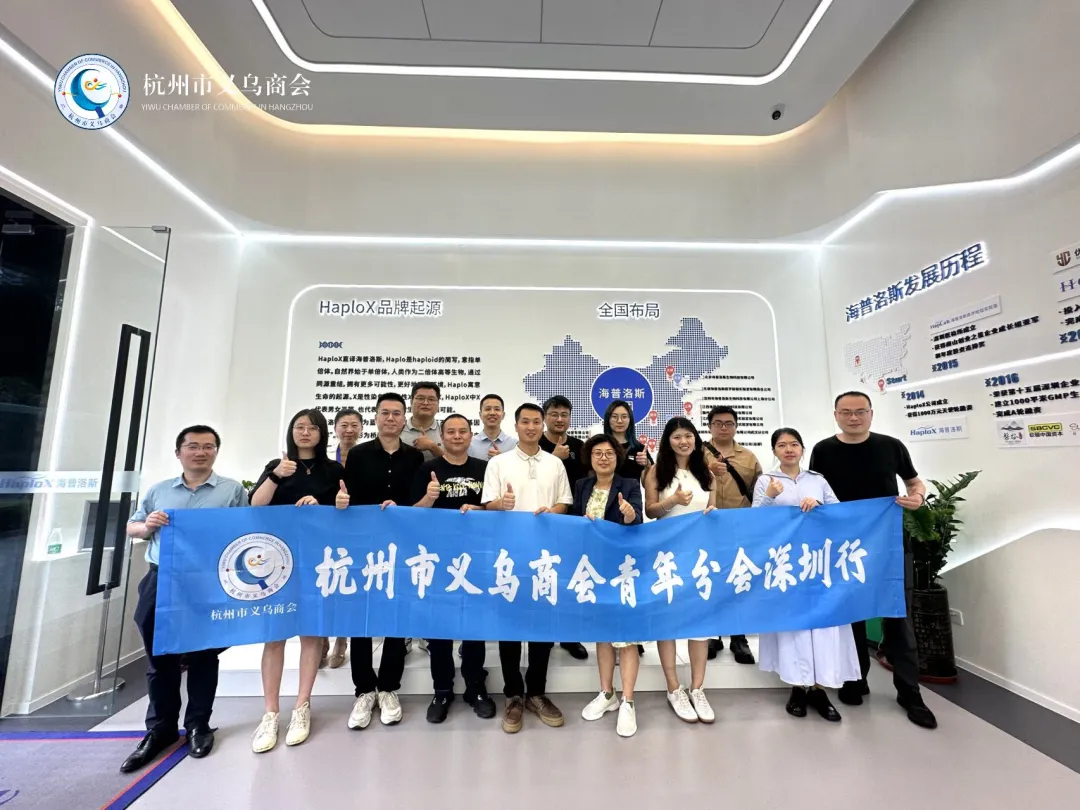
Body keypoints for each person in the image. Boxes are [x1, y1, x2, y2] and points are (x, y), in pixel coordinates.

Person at [120, 425, 247, 773]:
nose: (201, 452)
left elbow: (245, 530)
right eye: (193, 446)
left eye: (208, 446)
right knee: (159, 656)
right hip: (162, 578)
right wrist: (148, 525)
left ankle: (198, 725)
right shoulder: (159, 491)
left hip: (207, 581)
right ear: (179, 452)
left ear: (216, 452)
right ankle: (160, 729)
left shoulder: (231, 490)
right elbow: (132, 527)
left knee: (205, 655)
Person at [809, 391, 937, 730]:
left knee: (897, 615)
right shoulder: (823, 450)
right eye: (846, 412)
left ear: (871, 413)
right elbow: (816, 491)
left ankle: (910, 693)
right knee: (851, 613)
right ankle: (856, 679)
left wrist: (918, 496)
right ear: (835, 414)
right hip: (843, 545)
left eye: (860, 411)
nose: (853, 417)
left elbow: (914, 482)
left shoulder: (891, 446)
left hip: (888, 542)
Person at [249, 409, 345, 752]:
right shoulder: (277, 465)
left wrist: (326, 503)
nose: (305, 433)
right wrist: (276, 476)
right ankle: (270, 712)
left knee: (311, 633)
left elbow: (343, 512)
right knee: (274, 636)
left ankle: (302, 705)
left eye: (312, 428)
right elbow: (255, 505)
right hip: (277, 561)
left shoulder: (333, 470)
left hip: (317, 559)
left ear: (322, 434)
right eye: (299, 427)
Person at [752, 427, 858, 722]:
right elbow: (754, 520)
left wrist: (820, 506)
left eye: (794, 444)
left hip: (817, 562)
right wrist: (769, 497)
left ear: (802, 449)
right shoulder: (766, 480)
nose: (789, 449)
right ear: (774, 451)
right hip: (785, 563)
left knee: (821, 625)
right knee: (793, 625)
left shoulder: (817, 480)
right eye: (782, 445)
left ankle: (819, 688)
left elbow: (839, 514)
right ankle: (798, 686)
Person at [482, 402, 572, 734]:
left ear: (542, 424)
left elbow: (565, 502)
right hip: (509, 556)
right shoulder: (499, 463)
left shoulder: (555, 463)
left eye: (536, 421)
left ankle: (536, 692)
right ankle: (513, 695)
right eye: (525, 422)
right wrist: (500, 504)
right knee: (510, 626)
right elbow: (487, 505)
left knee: (542, 626)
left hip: (546, 556)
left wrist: (553, 511)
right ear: (516, 426)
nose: (531, 427)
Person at [337, 392, 424, 729]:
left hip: (402, 545)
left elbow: (416, 502)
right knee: (362, 615)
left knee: (395, 615)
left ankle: (388, 687)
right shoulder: (358, 455)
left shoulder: (415, 457)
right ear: (375, 417)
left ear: (404, 419)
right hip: (365, 545)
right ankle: (363, 689)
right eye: (385, 412)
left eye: (396, 413)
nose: (390, 418)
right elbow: (349, 497)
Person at [411, 413, 496, 723]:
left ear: (471, 436)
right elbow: (412, 513)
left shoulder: (485, 469)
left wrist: (480, 509)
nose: (457, 436)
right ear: (442, 437)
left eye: (463, 431)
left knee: (474, 626)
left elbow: (496, 511)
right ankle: (442, 690)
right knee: (440, 628)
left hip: (476, 558)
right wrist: (428, 498)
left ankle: (476, 687)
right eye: (451, 432)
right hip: (438, 559)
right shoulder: (427, 469)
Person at [644, 417, 717, 724]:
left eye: (688, 436)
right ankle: (674, 687)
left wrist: (713, 513)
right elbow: (650, 510)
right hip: (668, 556)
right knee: (669, 621)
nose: (683, 441)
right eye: (677, 437)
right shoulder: (656, 471)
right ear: (668, 441)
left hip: (699, 555)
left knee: (700, 623)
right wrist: (672, 500)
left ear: (695, 439)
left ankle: (697, 688)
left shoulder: (706, 473)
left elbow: (712, 510)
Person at [573, 435, 644, 737]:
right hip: (593, 569)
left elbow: (637, 520)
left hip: (621, 569)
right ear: (590, 458)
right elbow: (574, 523)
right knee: (602, 633)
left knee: (625, 636)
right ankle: (607, 693)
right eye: (597, 453)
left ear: (618, 457)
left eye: (609, 453)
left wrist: (629, 515)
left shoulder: (629, 484)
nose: (603, 458)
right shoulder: (582, 486)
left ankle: (628, 700)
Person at [701, 405, 762, 664]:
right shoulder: (697, 454)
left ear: (736, 426)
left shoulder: (748, 457)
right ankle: (712, 634)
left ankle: (739, 637)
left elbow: (759, 492)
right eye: (718, 423)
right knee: (711, 577)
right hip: (707, 525)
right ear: (710, 426)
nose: (723, 427)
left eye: (729, 423)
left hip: (740, 527)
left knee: (739, 578)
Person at [538, 394, 589, 662]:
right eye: (554, 414)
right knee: (544, 576)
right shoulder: (535, 444)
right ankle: (545, 634)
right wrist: (551, 457)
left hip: (573, 521)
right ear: (545, 417)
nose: (559, 419)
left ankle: (570, 635)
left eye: (564, 415)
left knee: (571, 578)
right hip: (542, 520)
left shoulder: (580, 446)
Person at [323, 407, 362, 669]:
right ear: (335, 428)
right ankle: (322, 638)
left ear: (361, 429)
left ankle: (342, 639)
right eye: (344, 425)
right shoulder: (325, 460)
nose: (349, 430)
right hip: (328, 529)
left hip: (357, 529)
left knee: (350, 582)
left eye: (354, 425)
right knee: (326, 583)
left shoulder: (365, 457)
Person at [602, 399, 651, 482]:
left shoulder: (639, 449)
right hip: (605, 490)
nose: (619, 421)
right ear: (608, 420)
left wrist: (647, 464)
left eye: (624, 417)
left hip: (632, 490)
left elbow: (649, 482)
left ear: (630, 420)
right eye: (614, 417)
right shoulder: (600, 446)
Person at [401, 381, 444, 461]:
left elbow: (454, 463)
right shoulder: (398, 430)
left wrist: (432, 447)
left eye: (431, 399)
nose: (425, 403)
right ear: (411, 401)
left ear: (438, 403)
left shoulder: (446, 431)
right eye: (420, 398)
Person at [469, 393, 517, 459]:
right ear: (480, 415)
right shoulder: (469, 444)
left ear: (503, 415)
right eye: (487, 409)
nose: (492, 413)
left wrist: (502, 461)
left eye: (497, 409)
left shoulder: (514, 445)